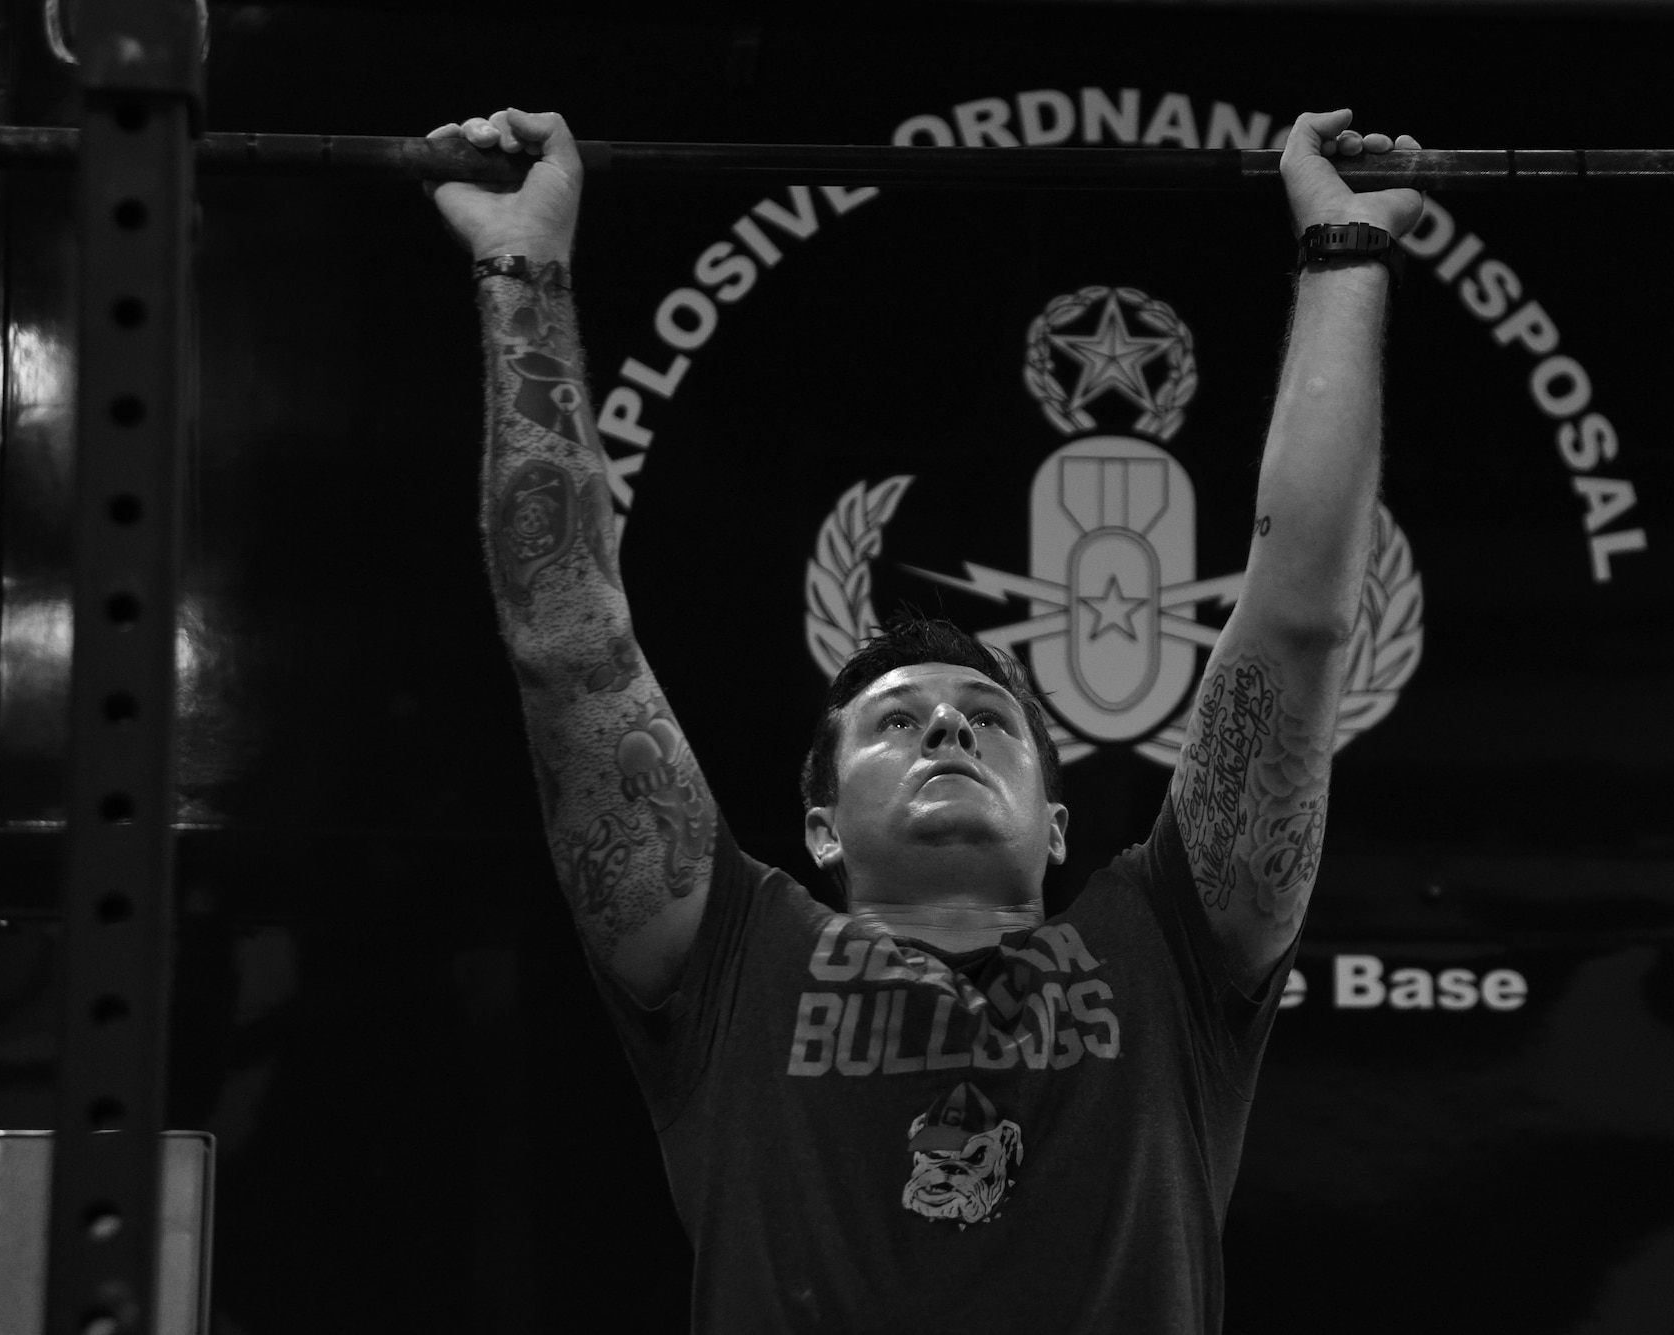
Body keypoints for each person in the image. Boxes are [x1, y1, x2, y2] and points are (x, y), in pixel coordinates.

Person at [429, 103, 1422, 1333]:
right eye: (894, 726)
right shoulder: (726, 959)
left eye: (988, 721)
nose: (947, 731)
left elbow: (1296, 622)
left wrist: (1344, 250)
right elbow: (568, 641)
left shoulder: (1169, 945)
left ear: (1056, 828)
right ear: (822, 827)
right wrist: (521, 262)